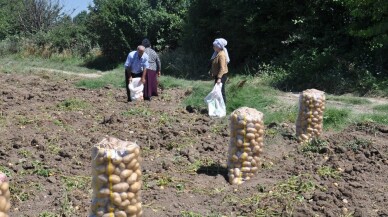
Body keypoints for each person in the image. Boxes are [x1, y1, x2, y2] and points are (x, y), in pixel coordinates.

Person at [210, 38, 230, 104]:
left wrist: (219, 78)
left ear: (218, 47)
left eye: (214, 46)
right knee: (217, 92)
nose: (213, 47)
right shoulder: (217, 53)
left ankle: (223, 106)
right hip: (219, 76)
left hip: (221, 76)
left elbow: (222, 68)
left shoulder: (221, 55)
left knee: (221, 92)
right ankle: (218, 106)